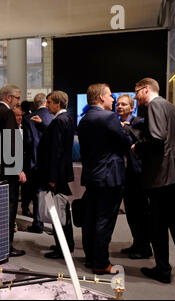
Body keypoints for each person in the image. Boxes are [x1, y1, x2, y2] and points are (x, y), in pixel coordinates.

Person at [132, 77, 175, 283]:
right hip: (173, 172)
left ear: (147, 89)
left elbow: (157, 138)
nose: (135, 97)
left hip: (160, 174)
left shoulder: (154, 106)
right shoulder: (172, 107)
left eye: (137, 92)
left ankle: (163, 270)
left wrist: (137, 147)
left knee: (158, 224)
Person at [77, 83, 131, 274]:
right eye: (110, 96)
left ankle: (91, 258)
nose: (113, 99)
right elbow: (126, 142)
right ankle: (101, 263)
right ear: (101, 97)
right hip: (110, 179)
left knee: (90, 219)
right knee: (104, 222)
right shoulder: (109, 117)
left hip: (92, 177)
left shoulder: (83, 120)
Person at [0, 84, 27, 257]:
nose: (19, 102)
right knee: (9, 208)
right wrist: (17, 168)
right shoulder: (7, 112)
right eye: (17, 98)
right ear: (8, 98)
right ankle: (6, 247)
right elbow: (11, 144)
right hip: (8, 170)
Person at [37, 90, 75, 259]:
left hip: (56, 175)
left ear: (58, 104)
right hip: (60, 173)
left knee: (59, 211)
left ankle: (63, 248)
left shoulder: (60, 120)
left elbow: (56, 151)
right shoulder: (64, 119)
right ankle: (65, 244)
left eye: (49, 102)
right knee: (62, 210)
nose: (47, 105)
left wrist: (52, 178)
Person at [115, 94, 152, 259]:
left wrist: (124, 128)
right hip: (125, 175)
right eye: (118, 104)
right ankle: (137, 244)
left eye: (124, 104)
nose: (119, 107)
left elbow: (140, 142)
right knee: (131, 212)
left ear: (132, 107)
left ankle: (144, 248)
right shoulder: (116, 123)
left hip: (138, 175)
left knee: (141, 213)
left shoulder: (139, 123)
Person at [22, 93, 54, 233]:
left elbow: (28, 142)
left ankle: (38, 223)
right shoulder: (54, 116)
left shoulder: (28, 118)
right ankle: (55, 225)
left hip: (34, 161)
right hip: (50, 161)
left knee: (37, 193)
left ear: (35, 104)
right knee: (53, 194)